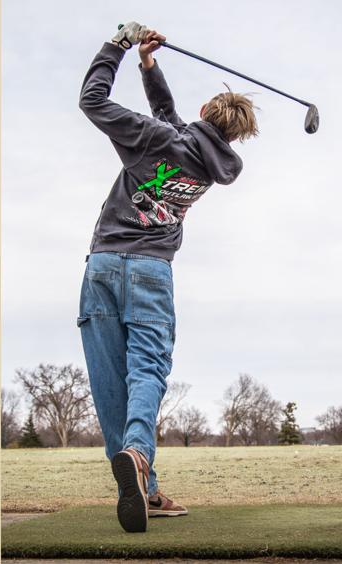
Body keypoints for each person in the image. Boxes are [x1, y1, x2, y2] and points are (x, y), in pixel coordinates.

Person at [77, 21, 258, 533]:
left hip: (103, 265)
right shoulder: (218, 166)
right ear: (235, 134)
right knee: (147, 371)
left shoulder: (157, 137)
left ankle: (142, 480)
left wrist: (117, 44)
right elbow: (172, 122)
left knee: (111, 381)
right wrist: (149, 65)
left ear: (204, 113)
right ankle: (139, 465)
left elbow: (92, 100)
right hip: (153, 271)